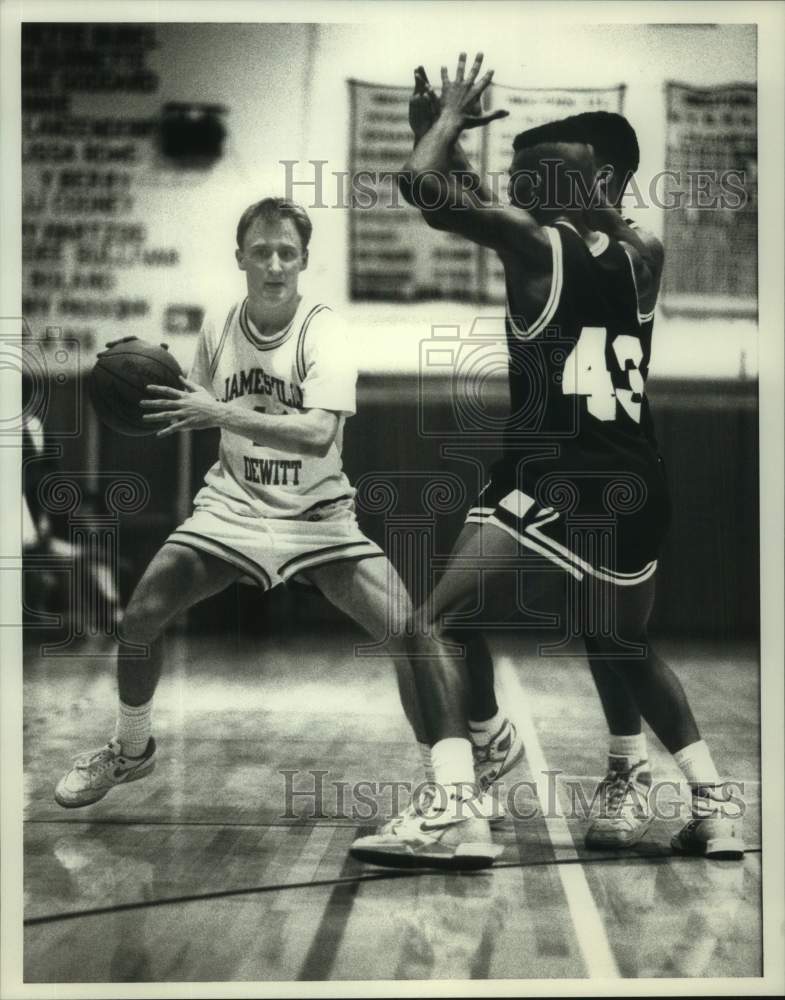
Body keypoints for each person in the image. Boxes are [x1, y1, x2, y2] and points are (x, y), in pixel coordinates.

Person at [350, 54, 744, 869]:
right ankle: (711, 806)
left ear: (595, 177)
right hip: (635, 481)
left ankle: (457, 806)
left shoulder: (536, 247)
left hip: (556, 476)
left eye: (538, 174)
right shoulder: (643, 252)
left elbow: (424, 188)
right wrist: (453, 147)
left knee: (432, 626)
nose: (520, 185)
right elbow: (480, 204)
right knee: (620, 642)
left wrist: (441, 127)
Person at [55, 196, 428, 809]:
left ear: (304, 260)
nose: (275, 264)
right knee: (141, 616)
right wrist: (140, 388)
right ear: (241, 258)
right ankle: (131, 748)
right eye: (262, 252)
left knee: (410, 636)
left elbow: (318, 434)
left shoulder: (326, 330)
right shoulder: (220, 326)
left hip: (316, 517)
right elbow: (193, 405)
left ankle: (445, 782)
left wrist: (218, 412)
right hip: (233, 509)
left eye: (287, 253)